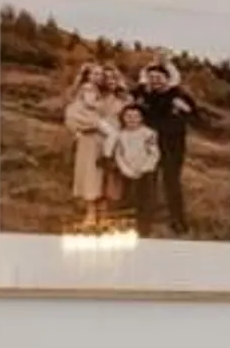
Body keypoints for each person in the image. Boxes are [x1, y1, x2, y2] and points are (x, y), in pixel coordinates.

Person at [130, 60, 197, 235]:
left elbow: (197, 118)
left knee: (172, 184)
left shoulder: (179, 95)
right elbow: (129, 98)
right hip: (149, 147)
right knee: (146, 183)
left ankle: (178, 222)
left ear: (167, 78)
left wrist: (187, 110)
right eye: (151, 77)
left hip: (172, 148)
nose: (155, 81)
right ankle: (143, 223)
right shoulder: (144, 94)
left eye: (159, 77)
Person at [61, 61, 126, 218]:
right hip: (90, 139)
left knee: (108, 176)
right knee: (91, 173)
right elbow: (72, 114)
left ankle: (104, 211)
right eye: (105, 77)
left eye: (112, 78)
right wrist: (81, 127)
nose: (108, 80)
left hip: (111, 140)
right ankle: (90, 212)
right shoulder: (89, 94)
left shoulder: (123, 99)